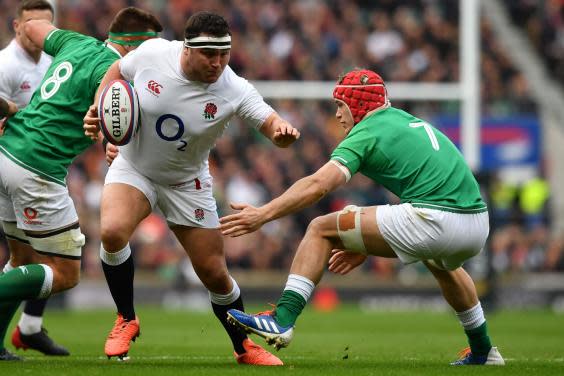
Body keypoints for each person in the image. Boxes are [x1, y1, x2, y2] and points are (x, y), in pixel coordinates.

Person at [222, 69, 505, 366]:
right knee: (440, 262)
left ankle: (283, 319)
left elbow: (318, 186)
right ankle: (483, 350)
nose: (337, 116)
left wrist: (264, 214)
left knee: (320, 228)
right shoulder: (404, 121)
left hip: (437, 219)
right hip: (475, 224)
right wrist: (364, 242)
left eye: (340, 106)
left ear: (357, 105)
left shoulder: (367, 131)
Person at [83, 11, 299, 366]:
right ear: (186, 48)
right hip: (135, 167)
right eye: (208, 55)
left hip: (188, 182)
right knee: (111, 231)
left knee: (214, 272)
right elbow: (119, 72)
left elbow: (269, 120)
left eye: (223, 54)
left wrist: (281, 132)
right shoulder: (153, 53)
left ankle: (244, 347)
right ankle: (126, 318)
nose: (217, 63)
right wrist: (101, 106)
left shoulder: (234, 88)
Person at [0, 7, 163, 361]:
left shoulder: (74, 41)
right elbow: (107, 116)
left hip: (7, 152)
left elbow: (31, 26)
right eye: (151, 49)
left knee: (22, 258)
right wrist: (111, 142)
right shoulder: (114, 74)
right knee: (65, 272)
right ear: (135, 46)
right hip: (37, 166)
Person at [0, 0, 70, 357]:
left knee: (29, 258)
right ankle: (27, 328)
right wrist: (14, 111)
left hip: (37, 166)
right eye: (30, 25)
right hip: (12, 167)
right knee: (51, 258)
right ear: (16, 26)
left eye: (44, 26)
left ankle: (27, 329)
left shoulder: (54, 64)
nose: (37, 32)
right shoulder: (5, 64)